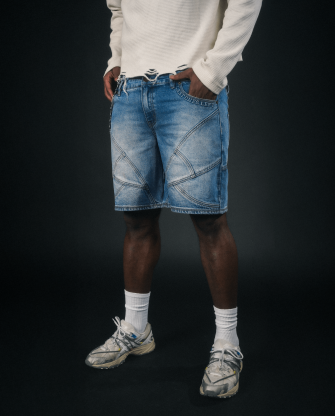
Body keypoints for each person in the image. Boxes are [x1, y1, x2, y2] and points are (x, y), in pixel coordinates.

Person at [85, 0, 262, 399]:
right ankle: (136, 329)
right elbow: (118, 8)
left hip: (187, 87)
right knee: (137, 217)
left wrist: (213, 70)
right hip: (130, 91)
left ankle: (228, 345)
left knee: (208, 218)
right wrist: (117, 60)